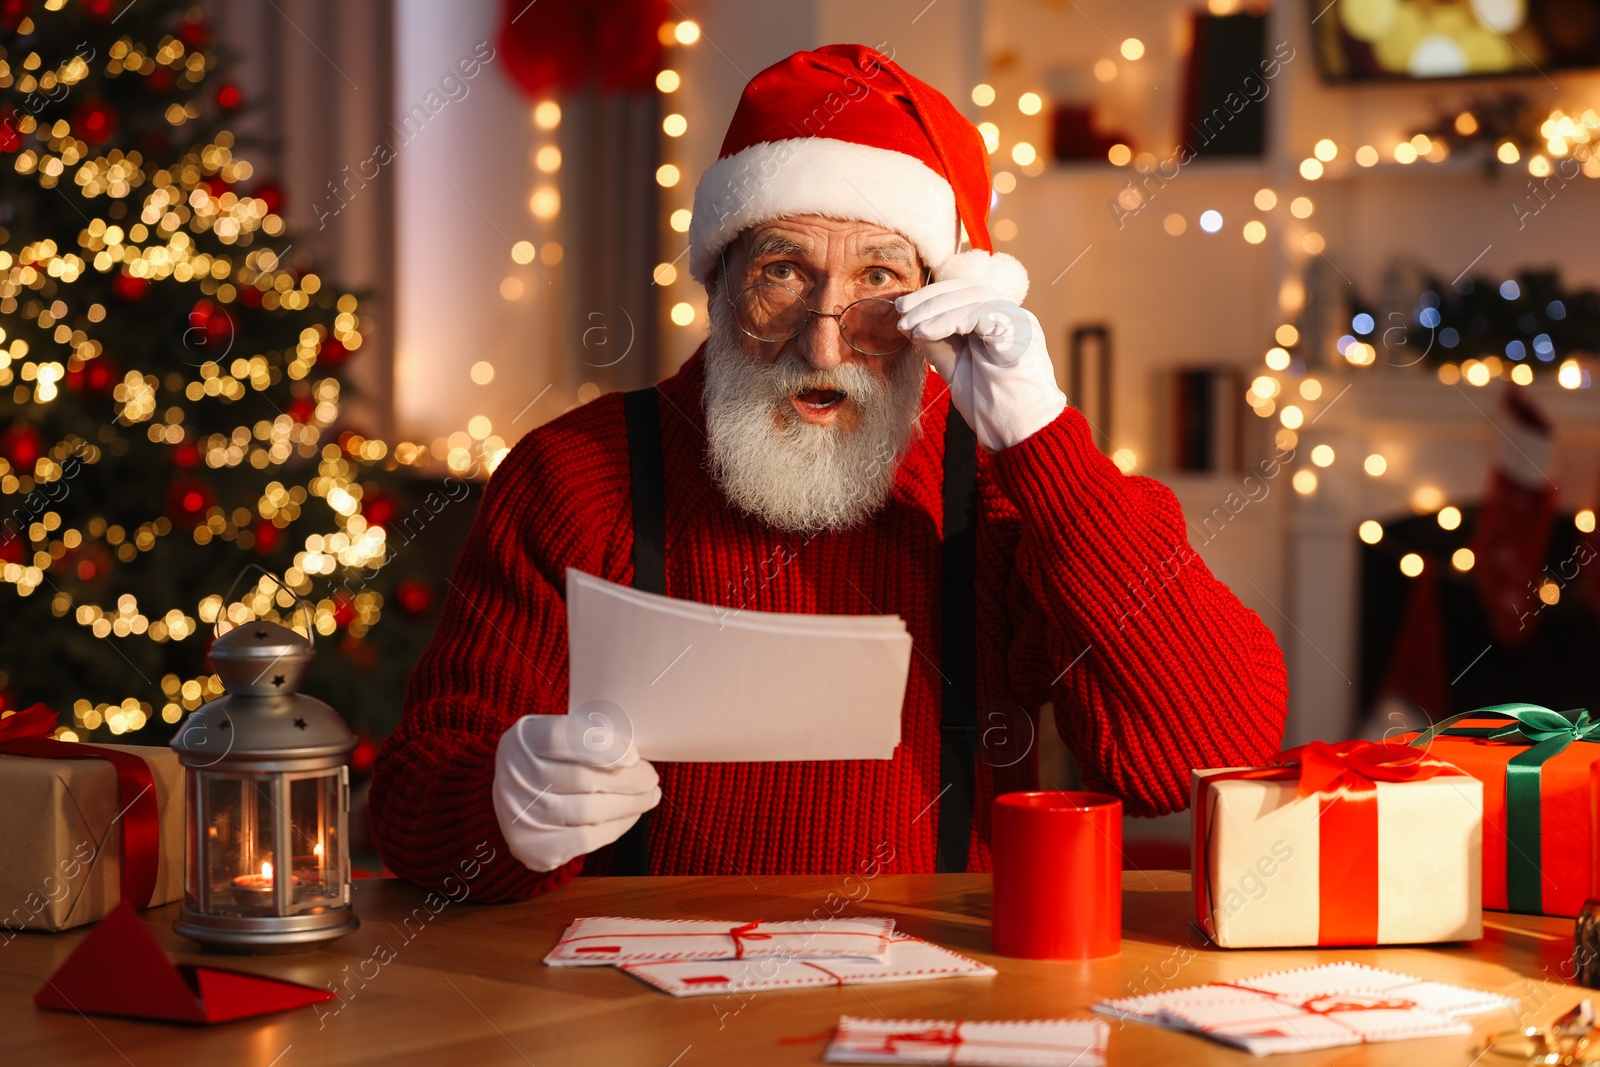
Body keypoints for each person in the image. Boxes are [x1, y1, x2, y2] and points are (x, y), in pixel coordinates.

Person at [370, 44, 1288, 900]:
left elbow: (1205, 754)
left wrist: (1043, 440)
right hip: (637, 1011)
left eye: (880, 283)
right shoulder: (572, 478)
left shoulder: (1006, 486)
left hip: (938, 1000)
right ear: (718, 284)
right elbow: (411, 817)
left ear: (939, 301)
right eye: (783, 270)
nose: (823, 337)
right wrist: (495, 804)